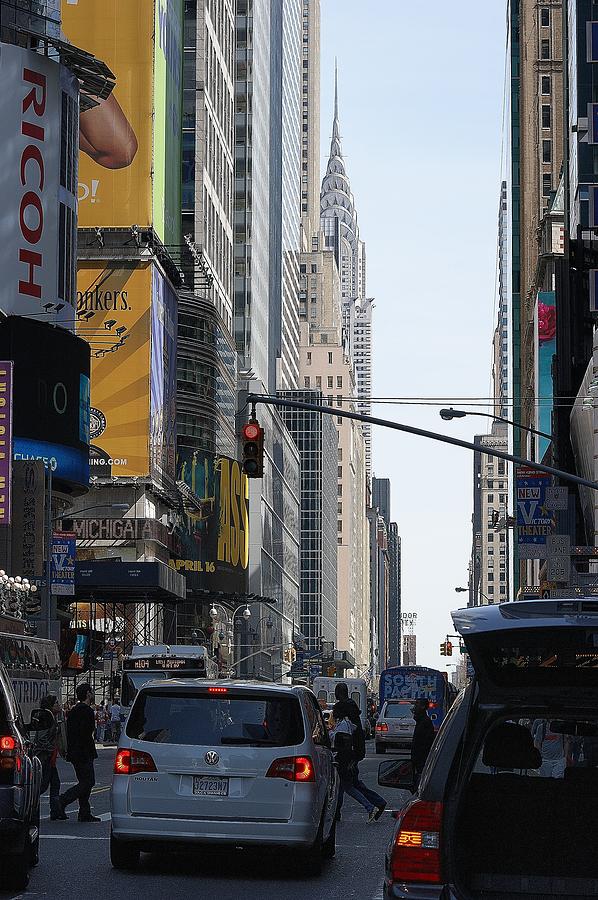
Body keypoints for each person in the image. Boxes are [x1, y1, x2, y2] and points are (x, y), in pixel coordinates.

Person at [332, 683, 386, 821]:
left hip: (348, 754)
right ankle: (337, 812)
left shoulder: (344, 721)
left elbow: (344, 740)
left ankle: (371, 805)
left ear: (339, 692)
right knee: (347, 783)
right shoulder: (352, 712)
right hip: (355, 751)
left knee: (347, 783)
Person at [57, 683, 100, 823]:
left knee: (84, 781)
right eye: (91, 692)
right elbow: (87, 732)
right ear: (88, 693)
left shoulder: (73, 711)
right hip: (84, 751)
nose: (92, 694)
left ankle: (84, 812)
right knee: (88, 781)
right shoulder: (86, 711)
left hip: (75, 752)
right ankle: (63, 800)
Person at [33, 694, 64, 821]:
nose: (59, 705)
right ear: (51, 706)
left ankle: (55, 811)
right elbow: (41, 737)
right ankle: (29, 803)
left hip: (50, 757)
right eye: (56, 703)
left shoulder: (54, 717)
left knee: (55, 783)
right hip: (44, 757)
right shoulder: (46, 718)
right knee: (43, 785)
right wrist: (50, 748)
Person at [411, 698, 435, 784]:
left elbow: (425, 744)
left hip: (422, 761)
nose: (414, 707)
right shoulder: (420, 721)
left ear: (423, 707)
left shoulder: (425, 722)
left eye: (417, 704)